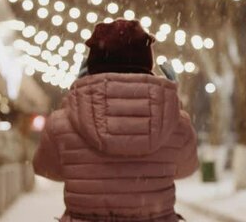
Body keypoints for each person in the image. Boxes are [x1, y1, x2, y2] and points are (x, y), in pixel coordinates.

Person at [33, 19, 198, 222]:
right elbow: (185, 168)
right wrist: (173, 103)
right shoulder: (176, 122)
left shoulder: (61, 122)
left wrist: (74, 97)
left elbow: (47, 169)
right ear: (148, 64)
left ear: (90, 65)